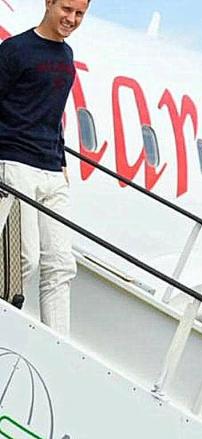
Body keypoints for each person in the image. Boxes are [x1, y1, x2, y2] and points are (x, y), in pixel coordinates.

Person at [0, 0, 91, 335]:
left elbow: (52, 115)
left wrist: (62, 160)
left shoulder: (66, 58)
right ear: (49, 3)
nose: (71, 19)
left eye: (80, 14)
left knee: (61, 265)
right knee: (24, 260)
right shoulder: (14, 50)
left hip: (51, 169)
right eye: (66, 9)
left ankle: (57, 346)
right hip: (15, 163)